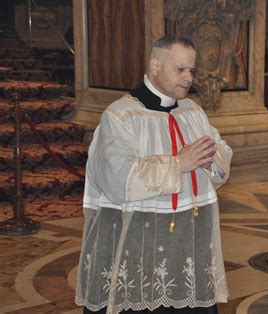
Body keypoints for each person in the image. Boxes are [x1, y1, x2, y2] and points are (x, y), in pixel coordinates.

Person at [75, 36, 233, 314]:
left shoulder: (193, 113)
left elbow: (220, 155)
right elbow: (115, 178)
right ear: (156, 65)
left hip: (187, 244)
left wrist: (209, 162)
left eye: (192, 71)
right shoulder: (121, 116)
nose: (188, 78)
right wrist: (177, 164)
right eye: (181, 69)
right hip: (139, 246)